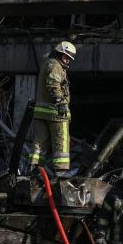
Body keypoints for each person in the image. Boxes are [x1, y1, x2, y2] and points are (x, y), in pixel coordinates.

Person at [30, 41, 76, 178]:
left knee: (40, 141)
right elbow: (53, 84)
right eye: (65, 57)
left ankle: (34, 169)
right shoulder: (55, 66)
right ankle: (61, 171)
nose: (67, 60)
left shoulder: (48, 63)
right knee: (61, 141)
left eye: (69, 58)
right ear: (59, 53)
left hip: (42, 112)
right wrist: (61, 103)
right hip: (56, 113)